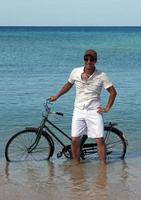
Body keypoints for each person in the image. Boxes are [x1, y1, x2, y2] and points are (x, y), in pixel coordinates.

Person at [49, 49, 117, 165]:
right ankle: (77, 166)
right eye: (86, 59)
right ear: (84, 59)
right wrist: (57, 96)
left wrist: (106, 108)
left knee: (99, 139)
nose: (89, 61)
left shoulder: (102, 76)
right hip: (78, 110)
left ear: (95, 61)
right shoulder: (75, 72)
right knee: (75, 139)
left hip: (94, 111)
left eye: (91, 59)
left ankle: (102, 167)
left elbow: (113, 92)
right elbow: (68, 85)